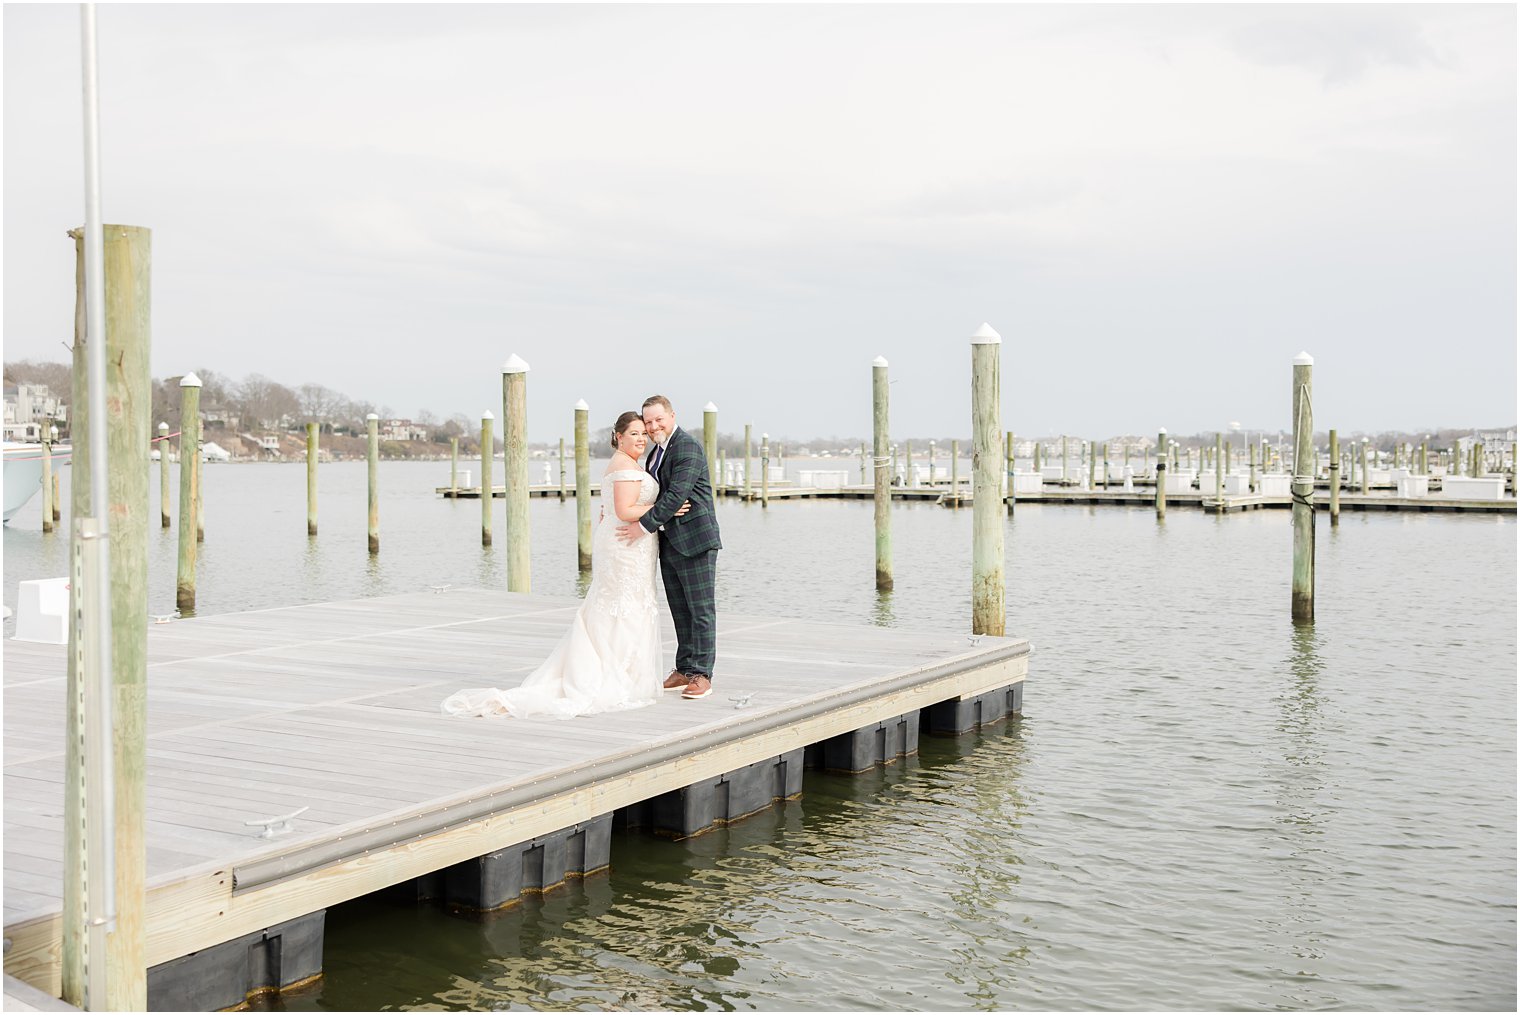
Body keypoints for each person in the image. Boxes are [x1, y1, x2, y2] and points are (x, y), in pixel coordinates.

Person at [441, 411, 686, 719]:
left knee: (628, 604)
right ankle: (616, 675)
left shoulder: (632, 464)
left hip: (631, 544)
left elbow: (612, 508)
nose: (640, 438)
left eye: (643, 433)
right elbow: (625, 510)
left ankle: (627, 671)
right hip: (625, 544)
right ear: (618, 437)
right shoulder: (624, 466)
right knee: (622, 606)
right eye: (633, 433)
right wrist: (667, 508)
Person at [617, 394, 722, 700]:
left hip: (696, 540)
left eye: (658, 419)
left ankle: (702, 675)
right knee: (679, 609)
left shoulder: (686, 447)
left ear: (672, 416)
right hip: (670, 541)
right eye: (648, 422)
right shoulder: (656, 453)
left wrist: (642, 526)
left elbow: (677, 495)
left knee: (700, 610)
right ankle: (684, 668)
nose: (652, 426)